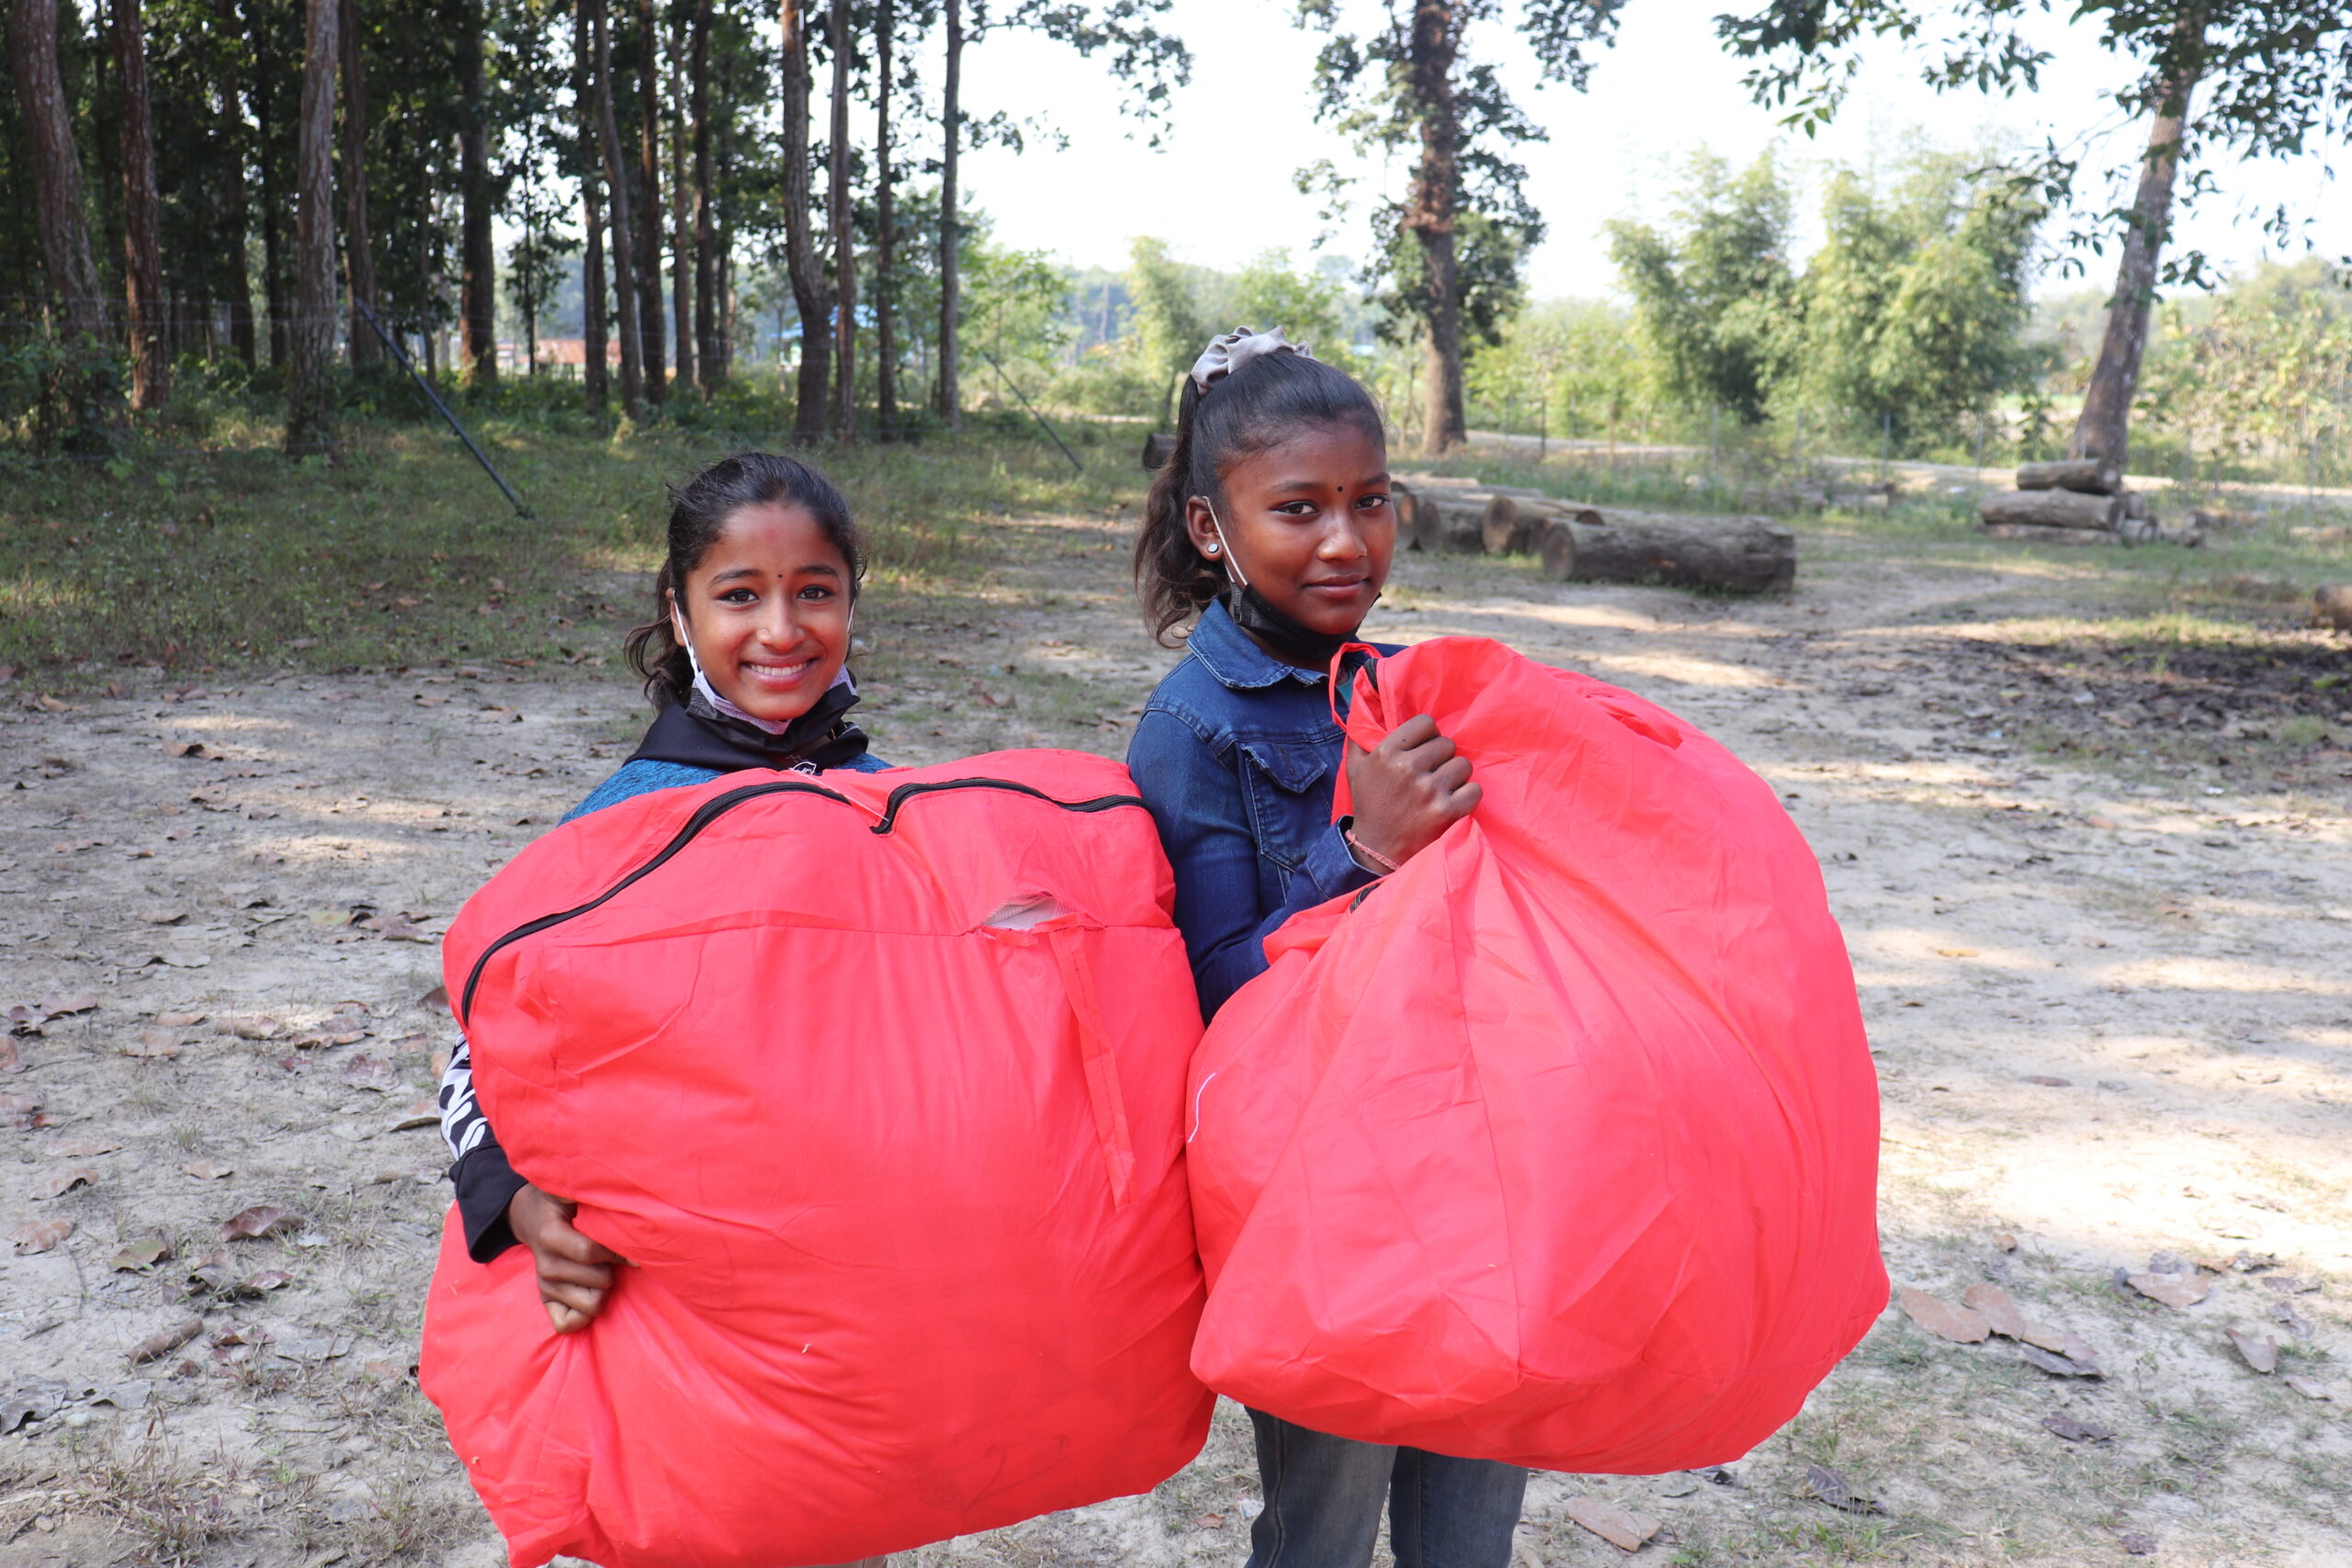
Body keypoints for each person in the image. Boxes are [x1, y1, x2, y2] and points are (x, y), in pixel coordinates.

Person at [1125, 330, 1524, 1568]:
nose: (1347, 541)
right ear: (1211, 527)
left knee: (1473, 1511)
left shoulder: (1411, 683)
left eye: (1371, 502)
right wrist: (1366, 854)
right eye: (1298, 508)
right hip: (1312, 1189)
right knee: (1325, 1526)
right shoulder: (1189, 731)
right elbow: (1218, 991)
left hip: (1463, 1153)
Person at [437, 451, 890, 1339]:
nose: (781, 628)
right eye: (738, 595)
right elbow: (478, 1054)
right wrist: (519, 1201)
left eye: (813, 590)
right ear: (679, 614)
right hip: (687, 1298)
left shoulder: (892, 805)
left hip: (858, 1287)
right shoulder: (618, 828)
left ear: (850, 603)